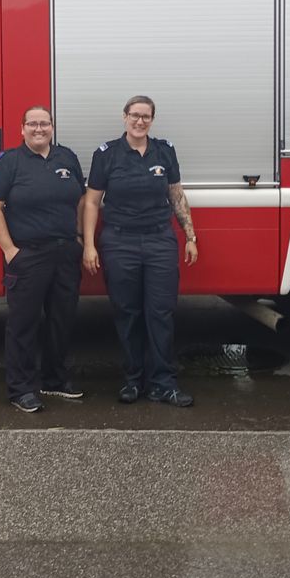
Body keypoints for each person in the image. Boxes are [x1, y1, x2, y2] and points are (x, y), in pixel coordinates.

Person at [82, 96, 198, 407]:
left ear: (152, 120)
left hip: (159, 240)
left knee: (160, 313)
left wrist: (190, 234)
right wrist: (90, 244)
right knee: (128, 313)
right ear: (124, 117)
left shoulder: (164, 151)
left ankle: (164, 383)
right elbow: (92, 202)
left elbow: (176, 194)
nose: (140, 121)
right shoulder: (106, 154)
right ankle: (133, 380)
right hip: (120, 243)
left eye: (146, 116)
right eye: (134, 115)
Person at [0, 106, 86, 413]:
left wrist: (79, 238)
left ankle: (54, 379)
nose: (39, 129)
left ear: (52, 127)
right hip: (28, 255)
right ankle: (21, 388)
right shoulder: (8, 163)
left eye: (44, 123)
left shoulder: (67, 158)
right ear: (22, 128)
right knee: (23, 324)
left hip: (66, 252)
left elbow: (80, 200)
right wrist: (10, 251)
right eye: (32, 124)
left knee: (61, 319)